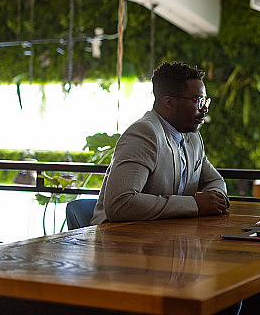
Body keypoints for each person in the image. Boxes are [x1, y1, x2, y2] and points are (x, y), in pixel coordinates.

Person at [90, 61, 229, 223]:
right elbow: (120, 204)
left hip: (163, 236)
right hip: (117, 236)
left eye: (205, 100)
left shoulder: (192, 137)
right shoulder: (144, 133)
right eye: (196, 100)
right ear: (169, 102)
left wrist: (215, 199)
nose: (204, 108)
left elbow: (215, 180)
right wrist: (194, 204)